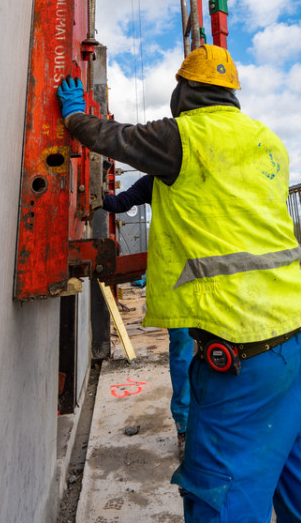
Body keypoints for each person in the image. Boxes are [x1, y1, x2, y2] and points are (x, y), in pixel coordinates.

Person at [57, 45, 301, 523]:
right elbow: (179, 189)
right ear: (231, 94)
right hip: (300, 341)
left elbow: (114, 137)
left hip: (241, 355)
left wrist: (74, 117)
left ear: (184, 90)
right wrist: (118, 200)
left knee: (222, 500)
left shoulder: (184, 136)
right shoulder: (267, 140)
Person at [102, 174, 193, 457]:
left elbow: (119, 203)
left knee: (198, 353)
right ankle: (187, 429)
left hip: (199, 281)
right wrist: (94, 193)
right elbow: (119, 203)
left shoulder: (185, 178)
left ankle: (197, 426)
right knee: (184, 353)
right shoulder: (156, 182)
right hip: (181, 282)